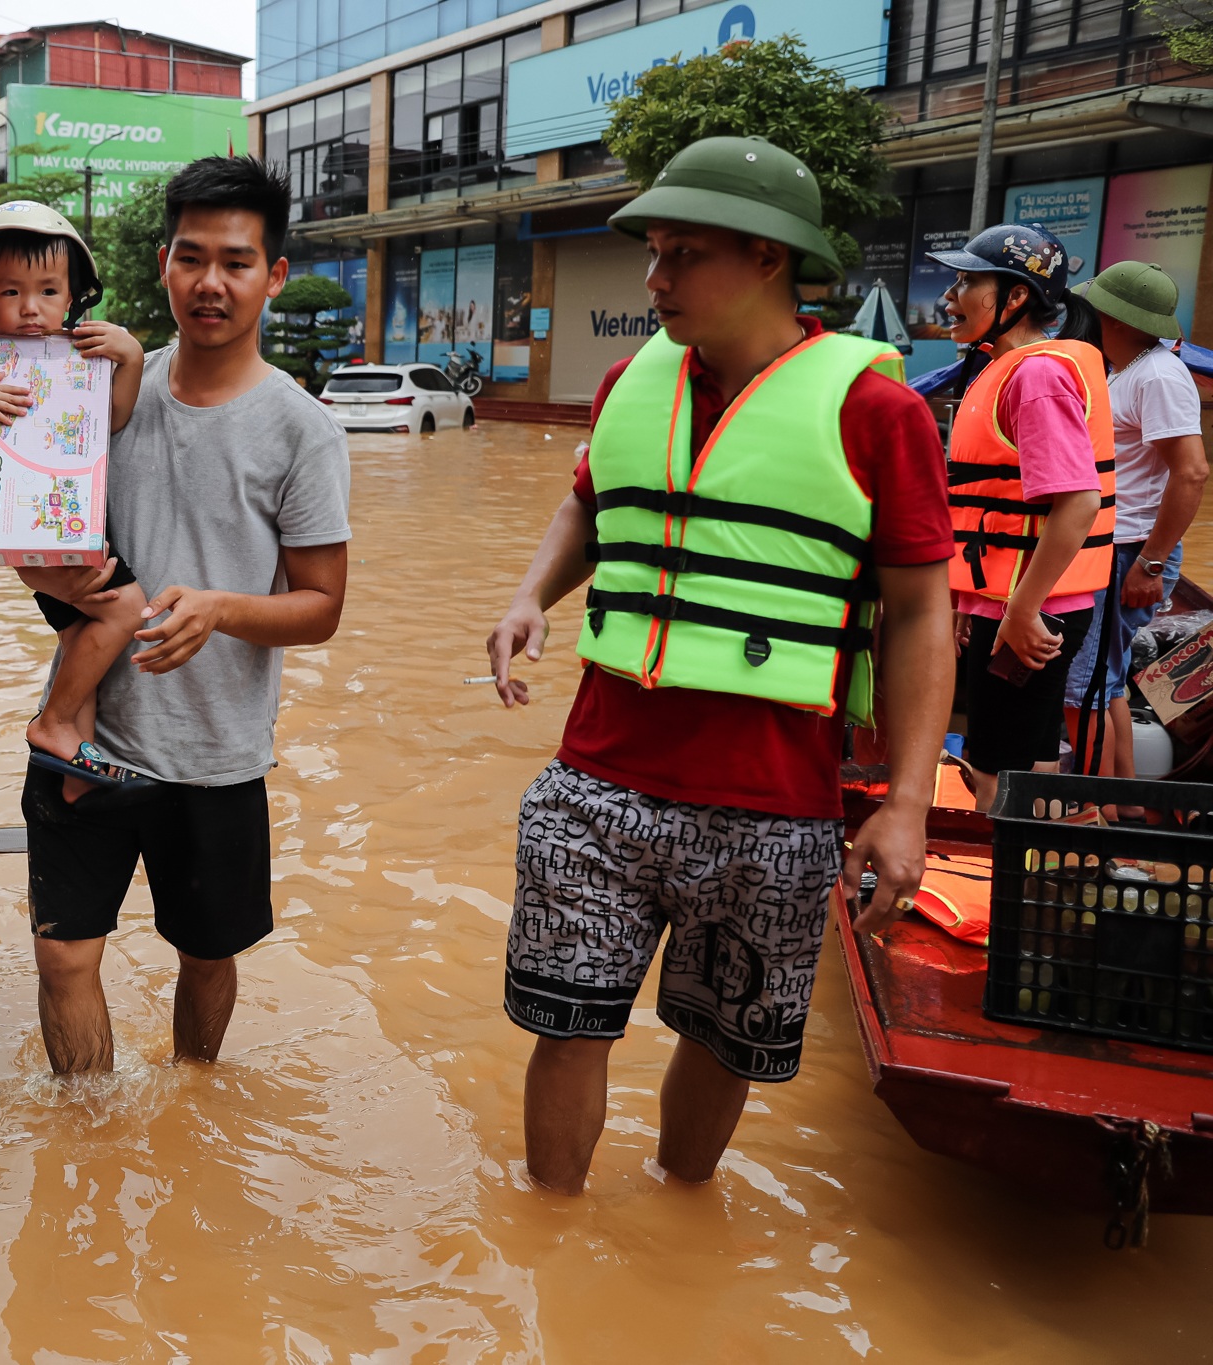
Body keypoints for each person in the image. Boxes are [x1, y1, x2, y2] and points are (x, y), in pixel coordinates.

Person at [484, 136, 954, 1195]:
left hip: (773, 807)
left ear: (766, 258)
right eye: (652, 252)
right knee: (565, 1029)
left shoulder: (877, 412)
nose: (652, 280)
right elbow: (590, 503)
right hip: (593, 783)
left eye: (680, 254)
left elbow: (924, 611)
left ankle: (675, 1211)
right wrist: (528, 595)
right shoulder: (626, 382)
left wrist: (908, 804)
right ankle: (549, 1250)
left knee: (717, 1041)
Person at [17, 156, 351, 1073]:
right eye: (192, 257)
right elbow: (41, 536)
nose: (211, 282)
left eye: (237, 262)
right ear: (163, 262)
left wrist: (221, 610)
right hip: (87, 739)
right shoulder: (97, 392)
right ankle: (85, 1144)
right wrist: (46, 579)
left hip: (216, 755)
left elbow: (322, 606)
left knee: (206, 956)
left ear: (272, 275)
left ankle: (195, 1097)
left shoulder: (302, 430)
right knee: (63, 955)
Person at [0, 200, 149, 798]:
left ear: (73, 298)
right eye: (11, 292)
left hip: (76, 525)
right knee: (125, 608)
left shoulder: (86, 355)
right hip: (33, 536)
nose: (31, 308)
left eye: (47, 291)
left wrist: (132, 358)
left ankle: (74, 779)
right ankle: (54, 723)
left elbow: (111, 422)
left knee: (78, 634)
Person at [932, 223, 1113, 810]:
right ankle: (1038, 879)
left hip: (1032, 607)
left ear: (1014, 299)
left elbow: (1078, 500)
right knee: (1031, 759)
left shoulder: (1035, 376)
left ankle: (998, 892)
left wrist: (1020, 609)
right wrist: (970, 601)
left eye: (967, 283)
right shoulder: (1001, 368)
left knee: (994, 771)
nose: (950, 298)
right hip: (1012, 600)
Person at [1060, 262, 1208, 780]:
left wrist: (1151, 562)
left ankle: (1095, 824)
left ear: (1115, 317)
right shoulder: (1124, 369)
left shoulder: (1158, 376)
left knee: (1081, 691)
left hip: (1128, 551)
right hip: (1113, 547)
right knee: (1105, 684)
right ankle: (1122, 810)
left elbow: (1190, 474)